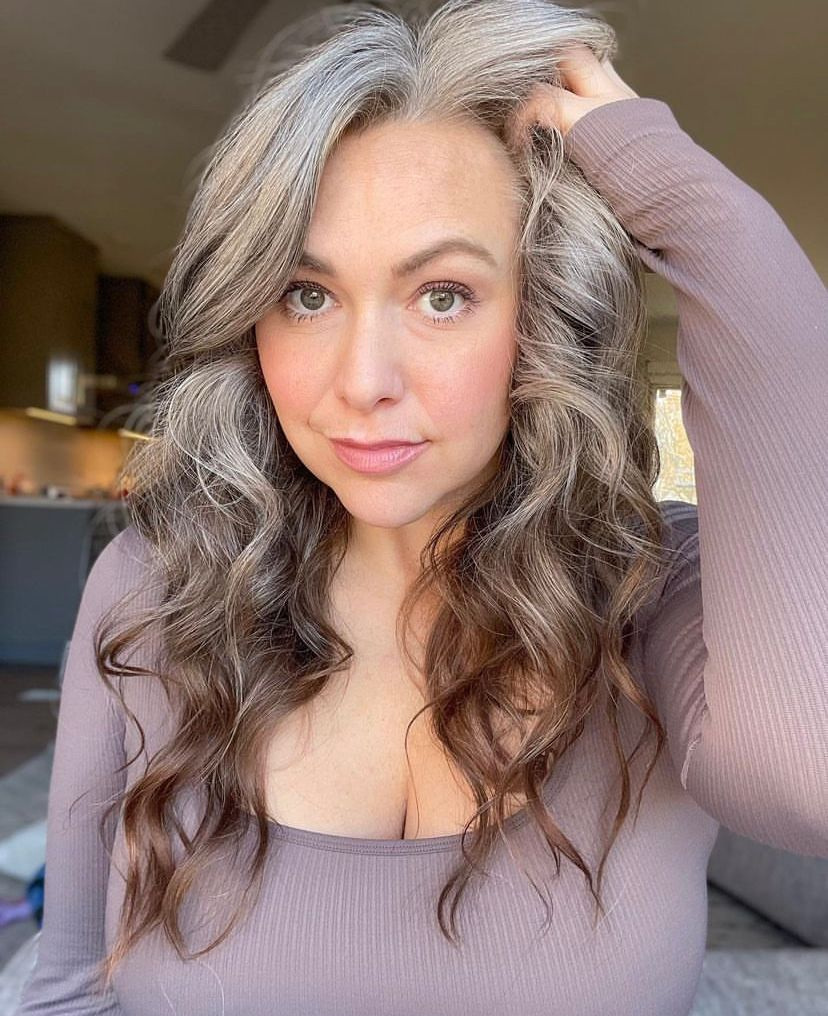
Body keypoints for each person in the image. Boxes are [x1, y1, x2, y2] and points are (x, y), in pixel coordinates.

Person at [15, 1, 828, 1013]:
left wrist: (705, 219)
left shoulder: (655, 591)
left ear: (543, 315)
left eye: (442, 294)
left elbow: (808, 783)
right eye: (306, 295)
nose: (363, 381)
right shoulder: (156, 587)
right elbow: (69, 987)